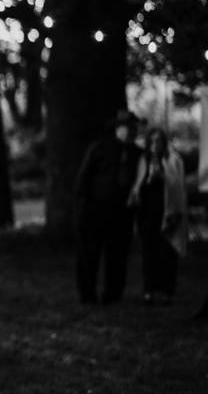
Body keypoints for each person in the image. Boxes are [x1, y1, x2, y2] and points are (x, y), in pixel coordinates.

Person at [73, 109, 142, 305]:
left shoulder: (137, 154)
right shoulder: (99, 148)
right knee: (89, 254)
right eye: (125, 128)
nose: (129, 132)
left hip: (122, 212)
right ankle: (87, 293)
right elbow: (83, 178)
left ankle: (113, 294)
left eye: (132, 128)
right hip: (95, 210)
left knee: (118, 254)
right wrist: (83, 205)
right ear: (116, 129)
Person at [129, 128, 187, 305]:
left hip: (167, 212)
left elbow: (178, 187)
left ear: (163, 143)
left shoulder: (173, 160)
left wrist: (162, 176)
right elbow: (138, 185)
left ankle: (167, 291)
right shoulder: (143, 160)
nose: (155, 145)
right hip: (148, 214)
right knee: (149, 253)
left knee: (167, 253)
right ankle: (149, 290)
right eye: (151, 141)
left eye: (158, 141)